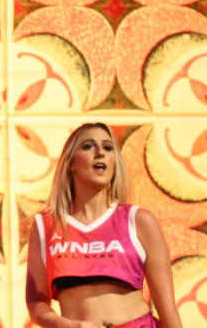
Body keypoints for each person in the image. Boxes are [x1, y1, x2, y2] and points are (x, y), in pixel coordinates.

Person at [25, 123, 183, 328]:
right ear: (71, 162)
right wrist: (66, 325)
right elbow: (36, 301)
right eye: (89, 146)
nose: (100, 153)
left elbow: (167, 308)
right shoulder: (45, 225)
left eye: (108, 148)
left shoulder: (140, 221)